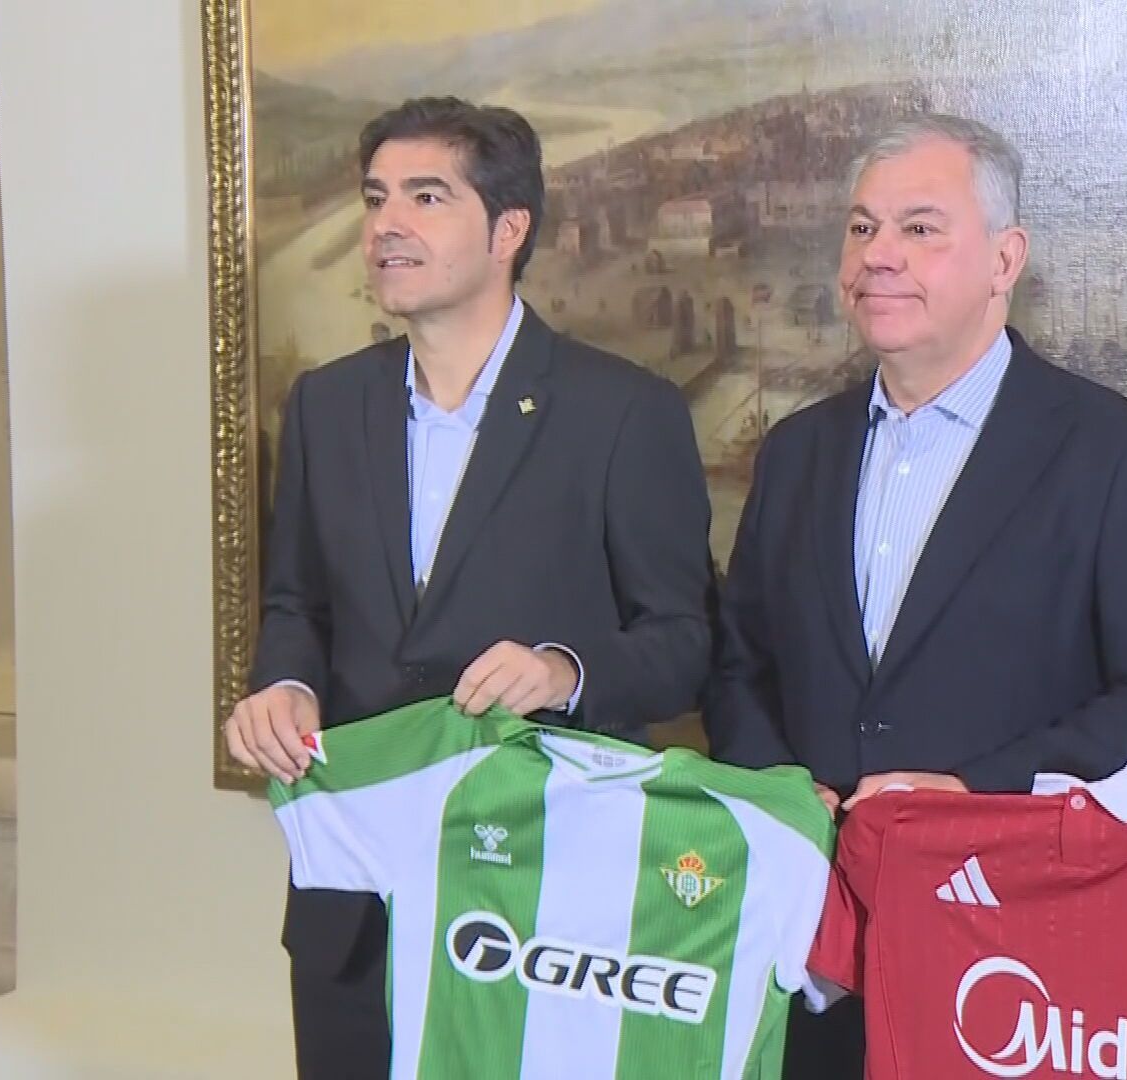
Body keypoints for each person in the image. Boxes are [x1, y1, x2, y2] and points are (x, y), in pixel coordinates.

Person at [704, 114, 1127, 1079]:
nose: (878, 257)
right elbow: (741, 665)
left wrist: (974, 798)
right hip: (809, 964)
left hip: (1022, 978)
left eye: (919, 228)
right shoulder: (796, 452)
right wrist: (781, 794)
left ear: (1004, 258)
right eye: (861, 229)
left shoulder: (1116, 454)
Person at [223, 97, 714, 1080]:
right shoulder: (327, 405)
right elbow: (297, 608)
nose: (385, 224)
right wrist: (284, 683)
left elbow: (684, 643)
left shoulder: (626, 414)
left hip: (544, 912)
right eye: (374, 198)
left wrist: (565, 668)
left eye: (426, 196)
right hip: (352, 909)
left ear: (509, 229)